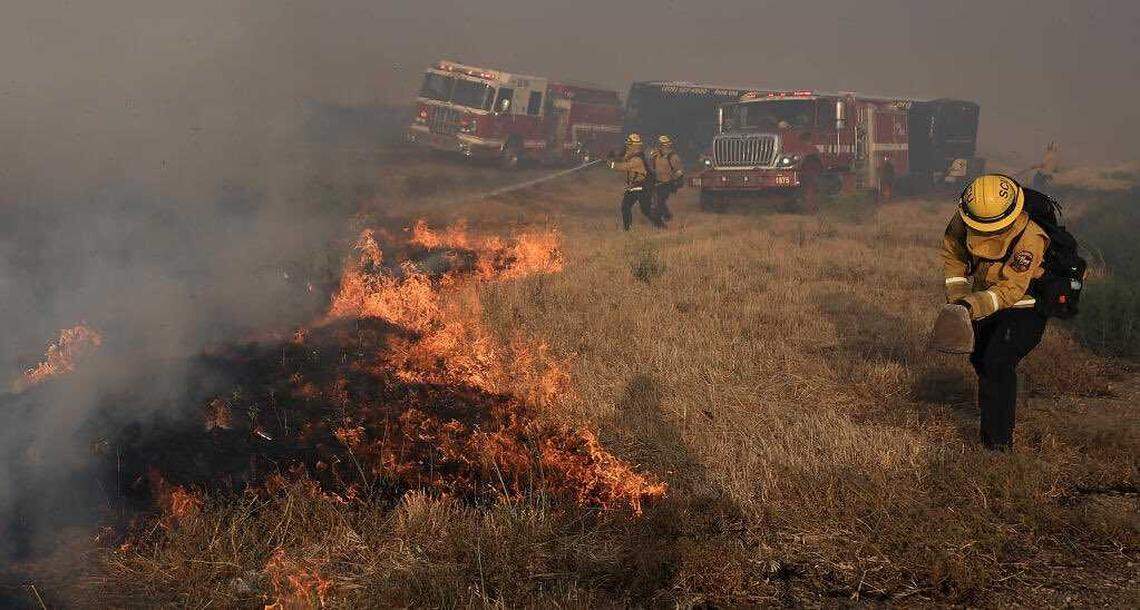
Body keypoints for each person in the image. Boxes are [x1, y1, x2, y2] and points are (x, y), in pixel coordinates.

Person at [940, 174, 1049, 451]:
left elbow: (1011, 290)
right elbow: (954, 255)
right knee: (980, 360)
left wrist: (971, 305)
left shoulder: (1030, 237)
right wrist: (958, 300)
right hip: (983, 301)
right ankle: (992, 418)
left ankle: (997, 445)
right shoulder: (963, 220)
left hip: (1023, 306)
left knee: (997, 363)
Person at [609, 133, 663, 230]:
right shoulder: (630, 156)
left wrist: (611, 164)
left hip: (643, 188)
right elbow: (622, 159)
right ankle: (627, 230)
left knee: (645, 210)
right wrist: (611, 158)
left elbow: (624, 166)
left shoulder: (637, 159)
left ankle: (660, 225)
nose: (627, 147)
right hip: (632, 187)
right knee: (625, 207)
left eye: (629, 145)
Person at [649, 135, 684, 221]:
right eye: (663, 145)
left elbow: (679, 171)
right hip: (657, 181)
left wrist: (676, 181)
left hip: (668, 183)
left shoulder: (673, 157)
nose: (665, 147)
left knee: (660, 200)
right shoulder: (655, 155)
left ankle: (657, 218)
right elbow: (651, 167)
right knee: (657, 200)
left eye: (666, 145)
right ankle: (667, 215)